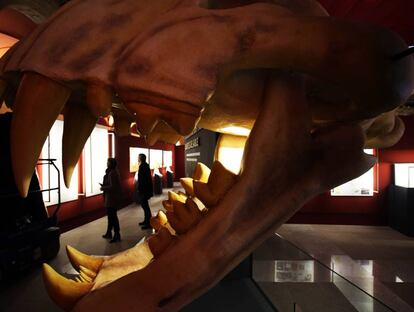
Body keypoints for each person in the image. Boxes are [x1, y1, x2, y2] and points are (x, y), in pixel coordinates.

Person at [100, 158, 122, 242]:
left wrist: (103, 187)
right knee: (111, 216)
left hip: (111, 198)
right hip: (111, 197)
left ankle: (117, 234)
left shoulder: (112, 173)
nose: (107, 163)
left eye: (108, 162)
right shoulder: (113, 172)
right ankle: (109, 232)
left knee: (112, 217)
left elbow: (113, 186)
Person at [134, 154, 153, 230]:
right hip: (145, 190)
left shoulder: (143, 167)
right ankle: (146, 221)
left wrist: (140, 189)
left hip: (144, 190)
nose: (137, 159)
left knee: (145, 206)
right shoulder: (145, 166)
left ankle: (149, 223)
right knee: (145, 206)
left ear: (141, 159)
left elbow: (143, 180)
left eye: (138, 157)